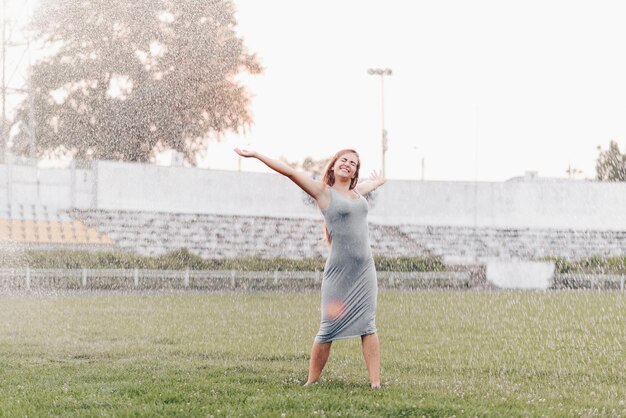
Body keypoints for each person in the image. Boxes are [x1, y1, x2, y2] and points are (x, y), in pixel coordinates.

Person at [233, 147, 385, 388]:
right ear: (333, 165)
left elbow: (368, 186)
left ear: (356, 172)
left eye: (353, 163)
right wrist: (257, 155)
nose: (348, 164)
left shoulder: (358, 193)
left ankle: (375, 383)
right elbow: (290, 172)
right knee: (328, 328)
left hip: (365, 271)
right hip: (339, 274)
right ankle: (311, 382)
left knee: (368, 325)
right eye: (344, 160)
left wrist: (376, 182)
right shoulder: (323, 192)